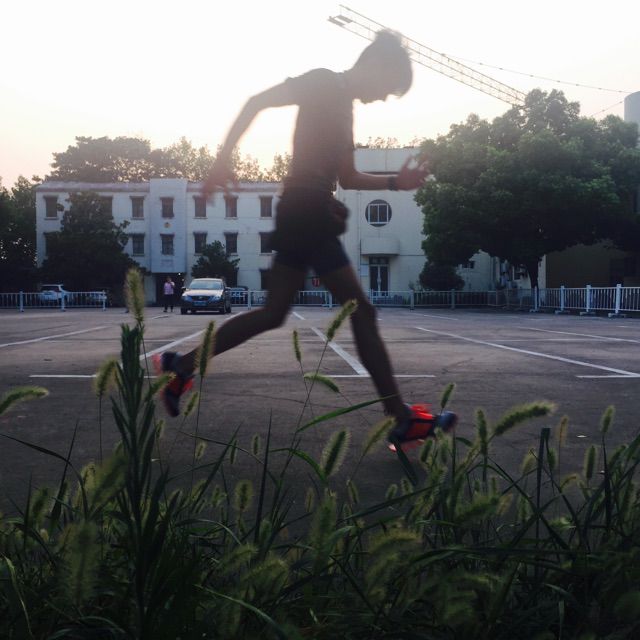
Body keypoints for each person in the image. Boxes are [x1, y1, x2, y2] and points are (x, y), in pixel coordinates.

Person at [155, 30, 456, 447]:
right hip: (306, 208)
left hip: (305, 207)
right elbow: (256, 101)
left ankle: (182, 367)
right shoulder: (323, 82)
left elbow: (347, 176)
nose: (382, 99)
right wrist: (221, 162)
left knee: (273, 313)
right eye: (388, 88)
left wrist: (394, 183)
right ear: (375, 65)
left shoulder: (344, 106)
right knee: (362, 311)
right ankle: (400, 418)